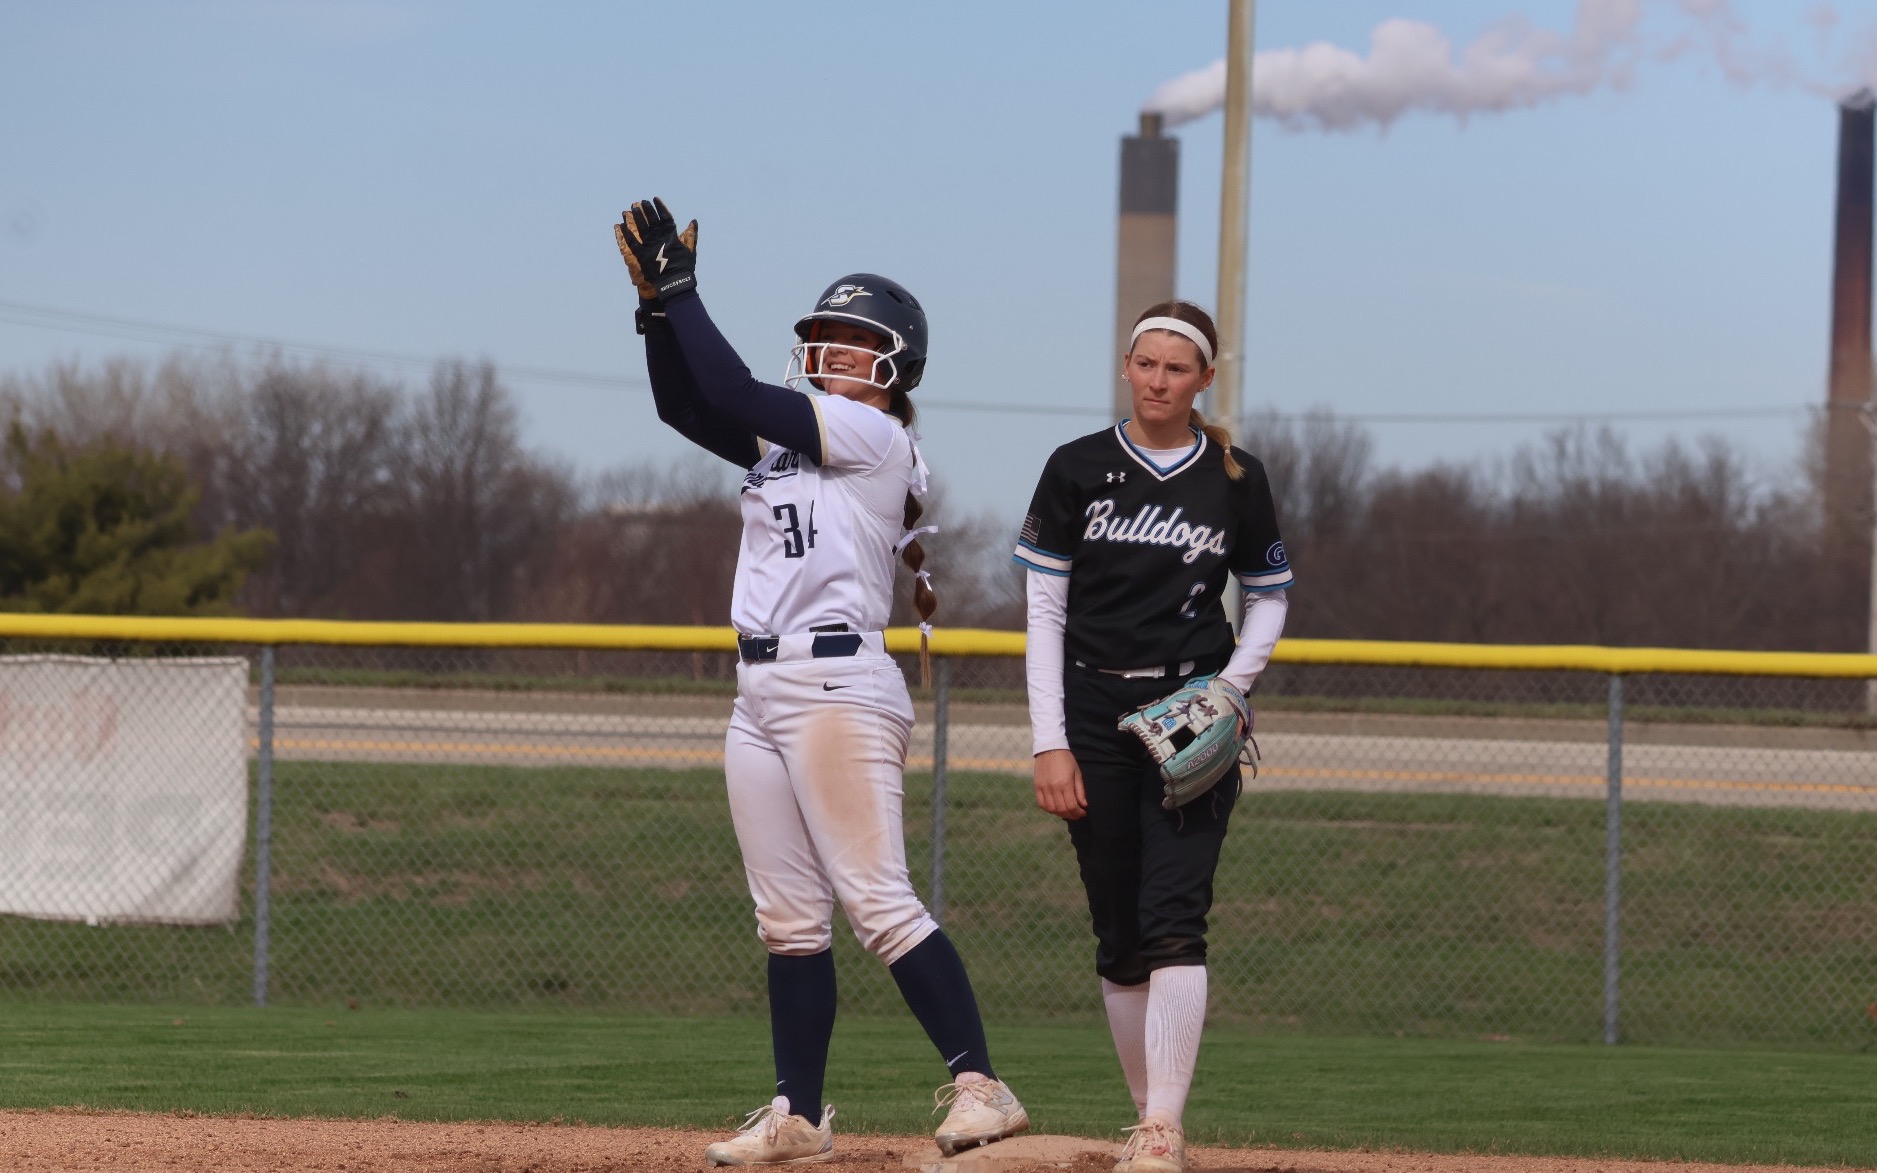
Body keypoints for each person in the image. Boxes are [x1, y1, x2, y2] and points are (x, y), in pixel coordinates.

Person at [613, 197, 1028, 1167]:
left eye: (857, 342)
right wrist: (652, 313)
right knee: (787, 919)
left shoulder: (872, 436)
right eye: (825, 339)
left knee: (878, 902)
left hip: (837, 685)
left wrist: (682, 293)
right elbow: (685, 401)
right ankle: (796, 1114)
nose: (835, 352)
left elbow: (726, 380)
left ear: (895, 367)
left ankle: (982, 1086)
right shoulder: (789, 443)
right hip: (759, 689)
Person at [1013, 300, 1292, 1173]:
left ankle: (1164, 1126)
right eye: (1146, 364)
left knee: (1175, 916)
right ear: (1126, 367)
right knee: (1117, 926)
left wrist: (1230, 687)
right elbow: (1043, 609)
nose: (1159, 380)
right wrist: (1047, 740)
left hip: (1188, 712)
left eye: (1178, 368)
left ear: (1204, 379)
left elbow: (1270, 593)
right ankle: (1145, 1117)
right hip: (1090, 711)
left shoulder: (1234, 477)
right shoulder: (1077, 468)